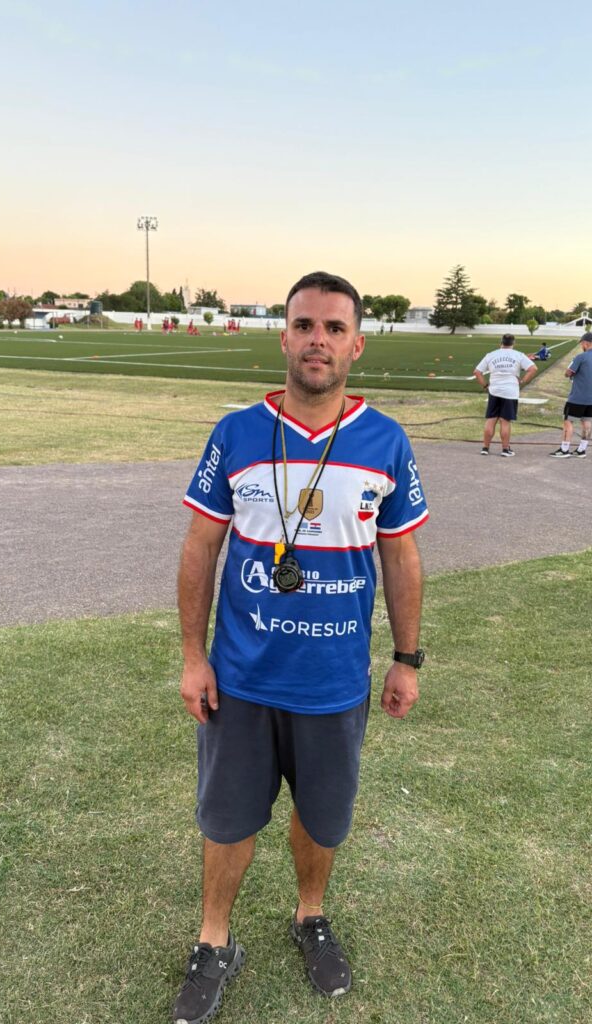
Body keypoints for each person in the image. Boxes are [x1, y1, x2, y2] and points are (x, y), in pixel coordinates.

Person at [174, 271, 429, 1024]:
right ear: (284, 336)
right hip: (243, 679)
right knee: (228, 821)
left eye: (333, 328)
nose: (318, 339)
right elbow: (200, 548)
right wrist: (194, 657)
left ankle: (308, 916)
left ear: (356, 343)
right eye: (304, 325)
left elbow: (402, 558)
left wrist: (407, 659)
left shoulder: (385, 440)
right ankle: (214, 940)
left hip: (334, 680)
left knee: (322, 818)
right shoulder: (237, 432)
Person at [473, 334, 538, 456]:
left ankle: (485, 448)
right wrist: (523, 381)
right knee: (505, 421)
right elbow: (533, 368)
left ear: (501, 342)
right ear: (513, 343)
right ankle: (505, 449)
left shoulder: (491, 355)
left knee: (491, 419)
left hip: (494, 391)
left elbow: (477, 372)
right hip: (510, 391)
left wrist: (485, 386)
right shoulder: (518, 355)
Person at [549, 332, 592, 458]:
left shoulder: (581, 357)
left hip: (578, 396)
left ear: (586, 343)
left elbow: (568, 373)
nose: (581, 346)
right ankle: (581, 450)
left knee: (568, 421)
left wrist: (571, 371)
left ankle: (564, 450)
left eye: (581, 343)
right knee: (587, 422)